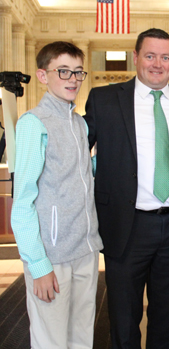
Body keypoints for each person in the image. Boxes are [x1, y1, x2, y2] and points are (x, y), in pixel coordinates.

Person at [84, 28, 169, 348]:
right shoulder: (104, 99)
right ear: (135, 58)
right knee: (123, 318)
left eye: (165, 57)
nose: (157, 64)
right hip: (126, 226)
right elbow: (77, 150)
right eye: (150, 55)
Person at [10, 41, 103, 348]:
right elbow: (22, 202)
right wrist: (38, 265)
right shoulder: (33, 124)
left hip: (85, 250)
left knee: (81, 338)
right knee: (50, 341)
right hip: (52, 256)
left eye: (78, 72)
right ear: (42, 75)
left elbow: (78, 175)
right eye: (63, 71)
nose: (72, 79)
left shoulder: (78, 122)